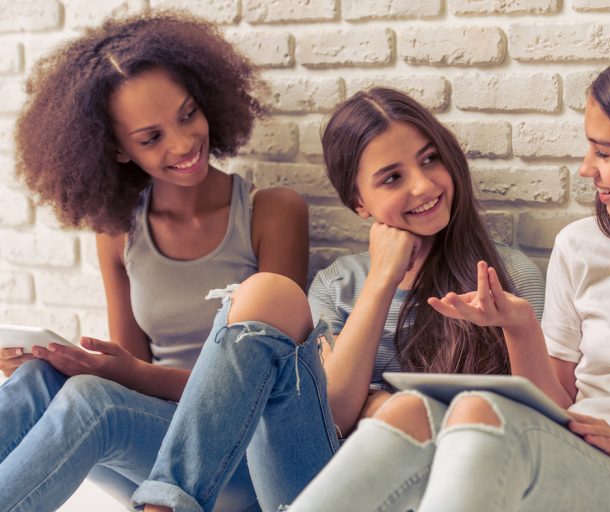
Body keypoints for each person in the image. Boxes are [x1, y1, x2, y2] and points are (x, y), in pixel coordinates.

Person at [288, 43, 610, 512]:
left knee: (478, 412)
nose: (585, 169)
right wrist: (519, 328)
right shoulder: (584, 247)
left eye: (603, 152)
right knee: (411, 411)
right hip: (578, 455)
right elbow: (556, 405)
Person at [131, 87, 545, 512]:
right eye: (392, 177)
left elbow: (541, 423)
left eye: (430, 159)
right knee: (265, 292)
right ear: (359, 204)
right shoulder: (340, 284)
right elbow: (333, 414)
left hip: (443, 491)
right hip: (320, 487)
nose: (423, 185)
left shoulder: (506, 278)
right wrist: (382, 280)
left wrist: (385, 407)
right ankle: (164, 505)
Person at [0, 11, 308, 512]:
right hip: (154, 452)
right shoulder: (119, 233)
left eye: (188, 115)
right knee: (39, 380)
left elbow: (272, 384)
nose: (184, 144)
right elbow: (132, 369)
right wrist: (61, 364)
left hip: (242, 456)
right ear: (117, 151)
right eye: (151, 138)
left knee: (89, 401)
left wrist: (117, 374)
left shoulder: (271, 212)